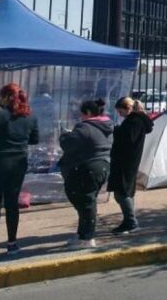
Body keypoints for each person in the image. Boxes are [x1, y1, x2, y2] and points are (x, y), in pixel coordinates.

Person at [58, 99, 113, 248]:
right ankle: (82, 234)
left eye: (82, 113)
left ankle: (87, 238)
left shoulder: (85, 127)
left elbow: (68, 144)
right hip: (102, 166)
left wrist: (63, 136)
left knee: (85, 203)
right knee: (86, 201)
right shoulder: (106, 125)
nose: (80, 116)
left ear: (88, 113)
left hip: (88, 168)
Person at [0, 83, 38, 254]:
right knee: (12, 202)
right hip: (19, 162)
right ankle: (12, 244)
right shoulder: (30, 117)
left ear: (6, 97)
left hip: (0, 160)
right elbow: (34, 140)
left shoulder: (0, 116)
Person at [108, 97, 153, 234]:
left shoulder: (134, 122)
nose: (119, 114)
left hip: (126, 162)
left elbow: (128, 140)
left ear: (127, 108)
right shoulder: (136, 120)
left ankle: (131, 221)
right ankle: (129, 220)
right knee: (126, 191)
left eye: (120, 111)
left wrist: (116, 131)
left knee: (122, 192)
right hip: (129, 161)